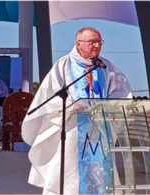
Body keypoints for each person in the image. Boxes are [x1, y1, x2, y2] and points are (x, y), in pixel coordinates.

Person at [22, 27, 133, 195]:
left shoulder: (106, 67)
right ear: (78, 44)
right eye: (92, 42)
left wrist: (111, 105)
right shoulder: (64, 64)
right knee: (68, 174)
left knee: (100, 173)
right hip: (73, 128)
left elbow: (121, 93)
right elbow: (50, 94)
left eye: (99, 42)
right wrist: (71, 106)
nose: (96, 46)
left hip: (99, 130)